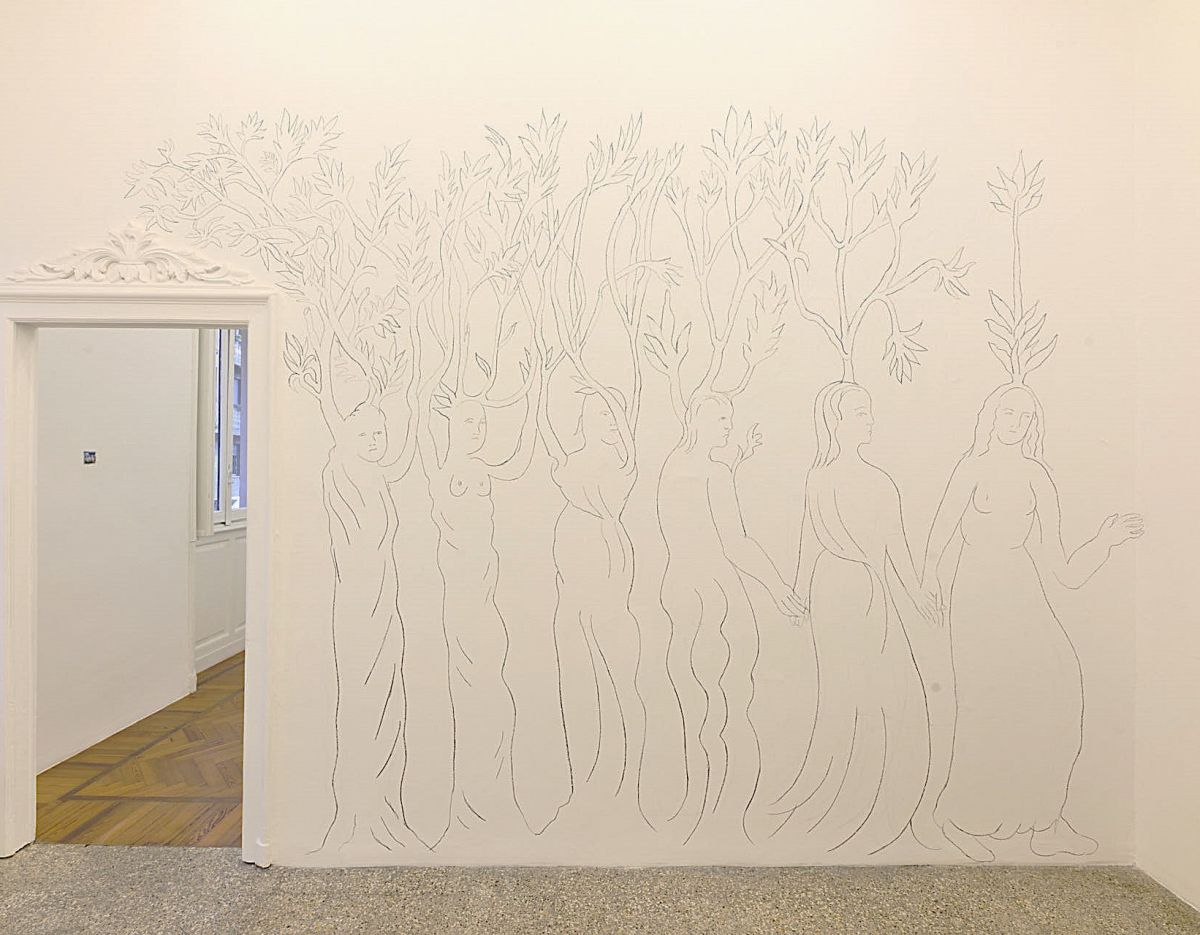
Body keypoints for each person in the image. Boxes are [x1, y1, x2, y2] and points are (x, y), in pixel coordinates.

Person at [919, 382, 1143, 861]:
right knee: (986, 706)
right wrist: (930, 588)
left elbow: (1063, 571)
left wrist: (1104, 541)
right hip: (976, 595)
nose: (1016, 424)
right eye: (1008, 413)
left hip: (1023, 591)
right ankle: (960, 818)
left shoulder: (1037, 476)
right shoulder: (971, 468)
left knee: (1061, 689)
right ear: (991, 416)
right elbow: (937, 541)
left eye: (1025, 417)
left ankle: (1045, 821)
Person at [761, 381, 937, 857]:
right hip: (839, 593)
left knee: (890, 690)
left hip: (856, 589)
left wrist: (917, 593)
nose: (869, 419)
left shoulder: (878, 482)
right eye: (860, 412)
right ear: (835, 421)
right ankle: (854, 792)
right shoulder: (822, 479)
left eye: (869, 411)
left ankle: (885, 795)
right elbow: (809, 538)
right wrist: (799, 592)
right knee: (849, 691)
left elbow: (896, 545)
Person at [657, 392, 804, 844]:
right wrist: (777, 586)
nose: (727, 425)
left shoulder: (673, 467)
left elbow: (695, 520)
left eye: (729, 417)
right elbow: (735, 542)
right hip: (714, 595)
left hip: (682, 589)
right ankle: (721, 812)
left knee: (697, 701)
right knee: (725, 704)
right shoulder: (712, 473)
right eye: (720, 418)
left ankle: (703, 806)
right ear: (698, 421)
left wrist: (738, 458)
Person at [421, 374, 542, 838]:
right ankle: (476, 805)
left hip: (486, 602)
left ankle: (490, 801)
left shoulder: (480, 469)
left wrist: (532, 396)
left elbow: (519, 460)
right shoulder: (444, 472)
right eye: (468, 422)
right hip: (465, 601)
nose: (477, 430)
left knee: (498, 700)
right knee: (481, 699)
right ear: (449, 426)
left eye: (482, 423)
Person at [540, 384, 647, 823]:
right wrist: (542, 377)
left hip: (609, 596)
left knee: (620, 686)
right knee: (580, 688)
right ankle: (586, 787)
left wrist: (606, 393)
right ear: (583, 420)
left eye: (613, 414)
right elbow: (547, 429)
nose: (611, 421)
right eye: (601, 413)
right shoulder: (569, 465)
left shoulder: (619, 469)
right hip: (573, 599)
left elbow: (629, 431)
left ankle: (623, 787)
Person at [319, 402, 419, 855]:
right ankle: (360, 809)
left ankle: (383, 807)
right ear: (346, 438)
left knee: (389, 704)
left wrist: (413, 402)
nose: (376, 443)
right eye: (365, 436)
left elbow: (400, 458)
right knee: (364, 702)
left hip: (385, 606)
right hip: (360, 606)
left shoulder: (376, 476)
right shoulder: (339, 476)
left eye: (380, 434)